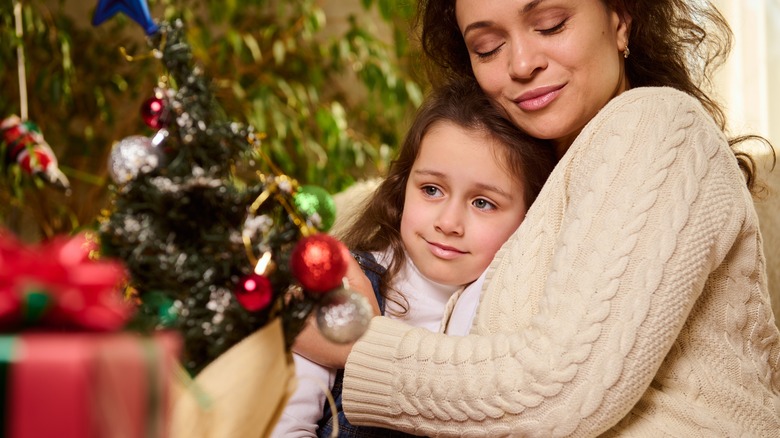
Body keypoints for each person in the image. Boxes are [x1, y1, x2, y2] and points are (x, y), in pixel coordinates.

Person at [304, 0, 780, 436]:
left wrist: (354, 343)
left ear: (620, 19)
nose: (521, 63)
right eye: (487, 48)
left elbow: (562, 391)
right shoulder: (529, 191)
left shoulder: (657, 123)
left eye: (551, 25)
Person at [271, 79, 556, 437]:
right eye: (431, 190)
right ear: (403, 188)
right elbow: (282, 423)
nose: (448, 223)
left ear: (530, 217)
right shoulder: (350, 285)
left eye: (482, 202)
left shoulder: (516, 309)